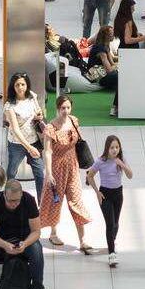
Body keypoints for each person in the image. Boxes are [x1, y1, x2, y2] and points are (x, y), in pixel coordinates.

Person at [39, 95, 94, 254]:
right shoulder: (51, 128)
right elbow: (47, 151)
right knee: (54, 202)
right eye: (63, 108)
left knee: (76, 200)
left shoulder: (74, 121)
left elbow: (79, 140)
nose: (65, 111)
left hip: (73, 166)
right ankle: (53, 233)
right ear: (57, 109)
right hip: (57, 169)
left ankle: (82, 240)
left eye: (68, 107)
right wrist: (49, 173)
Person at [86, 135, 131, 268]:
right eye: (112, 147)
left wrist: (122, 164)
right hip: (105, 194)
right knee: (110, 223)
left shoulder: (121, 160)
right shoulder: (101, 161)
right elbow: (90, 176)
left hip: (118, 193)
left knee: (116, 223)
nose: (114, 150)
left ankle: (111, 241)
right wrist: (97, 192)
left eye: (117, 147)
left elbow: (130, 175)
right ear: (107, 148)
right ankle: (112, 253)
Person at [2, 72, 47, 200]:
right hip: (17, 144)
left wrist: (39, 116)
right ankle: (9, 198)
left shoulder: (32, 96)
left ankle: (41, 203)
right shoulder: (10, 105)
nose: (20, 87)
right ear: (13, 87)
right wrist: (29, 148)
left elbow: (39, 112)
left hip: (33, 140)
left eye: (23, 84)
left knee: (39, 173)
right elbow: (15, 130)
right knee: (11, 172)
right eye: (17, 85)